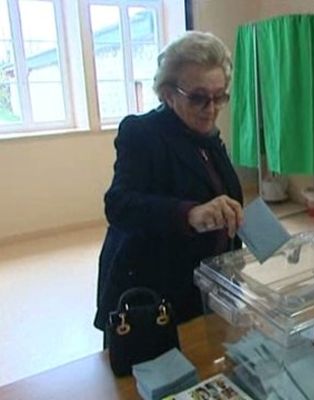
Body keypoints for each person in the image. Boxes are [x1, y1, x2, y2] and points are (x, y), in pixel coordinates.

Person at [94, 32, 244, 335]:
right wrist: (189, 213)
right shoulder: (141, 132)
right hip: (153, 292)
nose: (211, 108)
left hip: (206, 284)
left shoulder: (208, 137)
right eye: (199, 97)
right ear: (167, 93)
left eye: (220, 96)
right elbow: (119, 204)